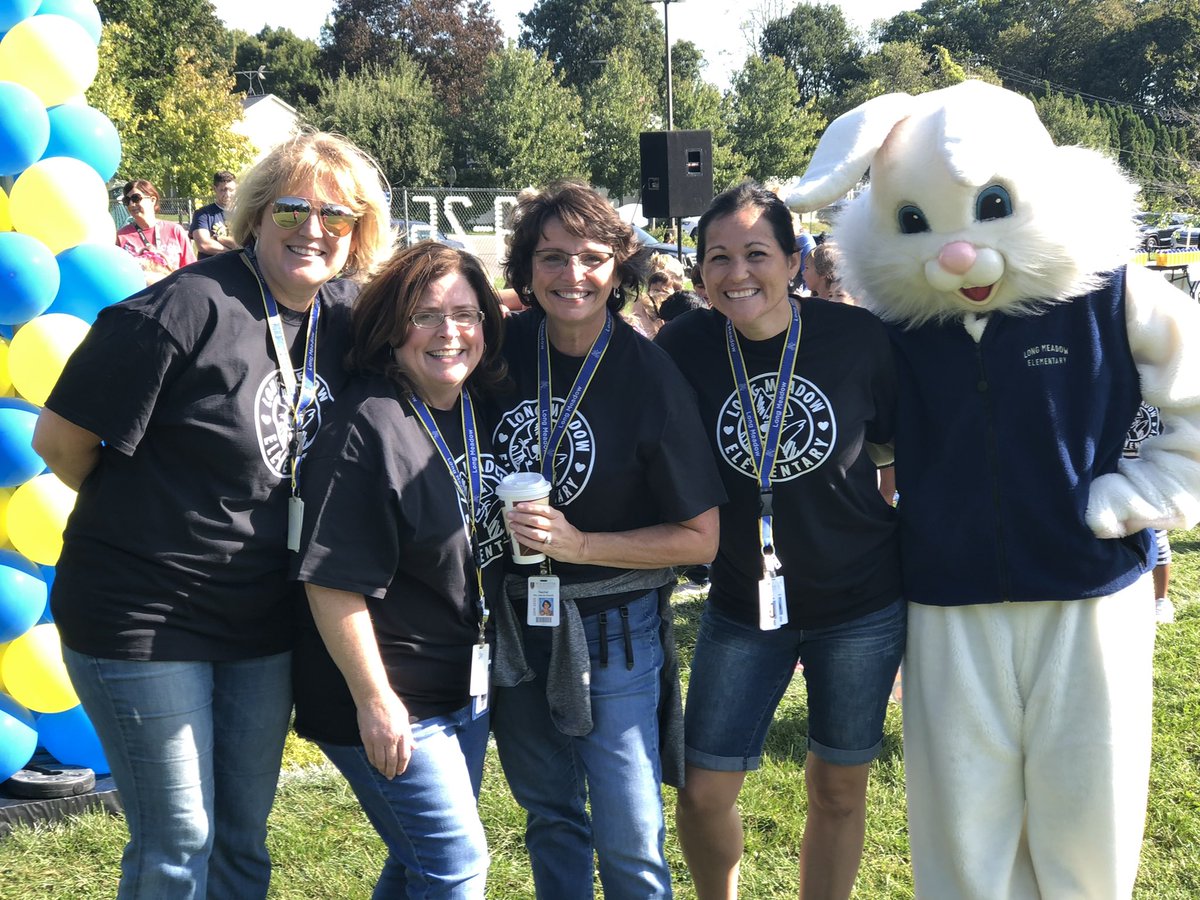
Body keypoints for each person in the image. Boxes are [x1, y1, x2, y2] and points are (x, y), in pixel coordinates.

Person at [31, 131, 392, 899]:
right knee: (177, 842)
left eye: (337, 214)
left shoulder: (345, 316)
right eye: (292, 209)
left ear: (359, 231)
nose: (314, 229)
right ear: (256, 214)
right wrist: (147, 511)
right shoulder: (181, 308)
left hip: (261, 620)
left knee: (240, 841)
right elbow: (60, 442)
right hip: (144, 612)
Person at [655, 181, 904, 900]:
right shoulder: (684, 346)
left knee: (838, 788)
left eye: (756, 254)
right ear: (699, 269)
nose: (737, 273)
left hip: (860, 603)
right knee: (703, 789)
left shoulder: (856, 337)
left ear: (794, 261)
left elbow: (894, 450)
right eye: (718, 257)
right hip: (742, 601)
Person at [487, 180, 725, 899]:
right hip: (514, 621)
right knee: (551, 816)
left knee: (630, 838)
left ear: (619, 268)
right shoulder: (495, 351)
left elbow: (701, 539)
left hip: (613, 629)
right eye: (552, 257)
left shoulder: (648, 375)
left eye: (591, 257)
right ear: (526, 268)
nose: (573, 275)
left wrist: (581, 545)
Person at [292, 242, 508, 898]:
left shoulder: (472, 406)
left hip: (459, 683)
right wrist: (376, 700)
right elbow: (331, 581)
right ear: (392, 328)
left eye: (465, 315)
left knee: (416, 862)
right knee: (456, 865)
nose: (449, 333)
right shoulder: (368, 426)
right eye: (426, 316)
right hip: (389, 696)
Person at [1124, 402, 1175, 623]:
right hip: (1116, 468)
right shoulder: (1114, 389)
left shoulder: (1157, 393)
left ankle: (1161, 600)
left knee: (1157, 533)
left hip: (1151, 470)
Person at [116, 178, 197, 283]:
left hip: (173, 290)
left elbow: (191, 270)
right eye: (127, 201)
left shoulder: (175, 231)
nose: (131, 204)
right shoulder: (121, 237)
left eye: (136, 198)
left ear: (152, 200)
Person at [190, 171, 240, 259]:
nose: (227, 194)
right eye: (223, 190)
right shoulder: (203, 214)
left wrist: (217, 238)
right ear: (214, 189)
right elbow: (204, 245)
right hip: (211, 266)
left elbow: (247, 244)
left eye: (231, 190)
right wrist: (235, 253)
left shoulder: (245, 214)